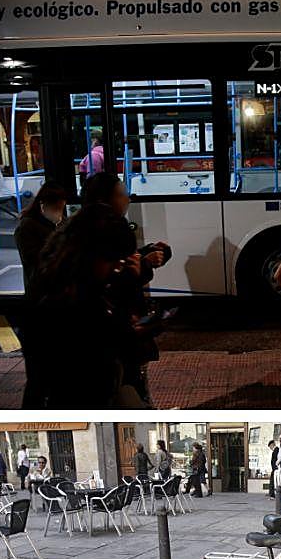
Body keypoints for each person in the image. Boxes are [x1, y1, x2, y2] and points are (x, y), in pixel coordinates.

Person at [20, 203, 141, 407]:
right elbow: (104, 355)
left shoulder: (59, 282)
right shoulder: (66, 303)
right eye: (113, 260)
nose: (117, 267)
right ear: (90, 255)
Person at [80, 172, 171, 406]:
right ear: (105, 200)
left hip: (121, 338)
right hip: (113, 352)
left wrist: (145, 257)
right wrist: (142, 265)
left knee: (134, 385)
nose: (128, 199)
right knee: (129, 388)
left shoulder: (91, 229)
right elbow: (115, 284)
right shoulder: (99, 235)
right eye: (122, 194)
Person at [15, 181, 68, 292]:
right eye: (55, 208)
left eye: (61, 208)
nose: (59, 213)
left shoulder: (62, 222)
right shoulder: (26, 227)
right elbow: (34, 260)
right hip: (41, 287)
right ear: (43, 205)